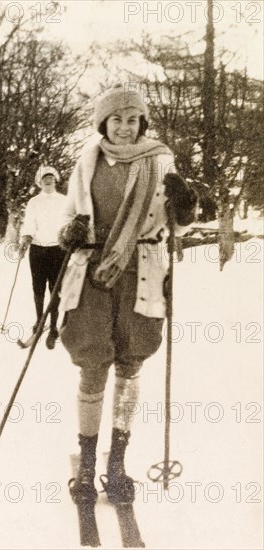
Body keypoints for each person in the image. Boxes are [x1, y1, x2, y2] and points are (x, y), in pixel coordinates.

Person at [58, 85, 197, 505]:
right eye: (115, 119)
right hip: (95, 271)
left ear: (142, 123)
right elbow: (67, 221)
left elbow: (180, 225)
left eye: (132, 119)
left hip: (142, 271)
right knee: (93, 362)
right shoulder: (87, 162)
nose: (123, 127)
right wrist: (71, 233)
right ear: (103, 123)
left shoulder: (161, 162)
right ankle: (86, 465)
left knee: (131, 363)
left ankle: (117, 464)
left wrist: (185, 204)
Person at [19, 165, 66, 350]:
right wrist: (26, 237)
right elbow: (29, 223)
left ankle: (53, 327)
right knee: (38, 287)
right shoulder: (34, 202)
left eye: (52, 179)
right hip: (38, 250)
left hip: (58, 249)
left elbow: (68, 223)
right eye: (45, 179)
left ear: (56, 181)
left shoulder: (64, 200)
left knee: (55, 289)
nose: (48, 182)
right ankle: (39, 321)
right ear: (40, 182)